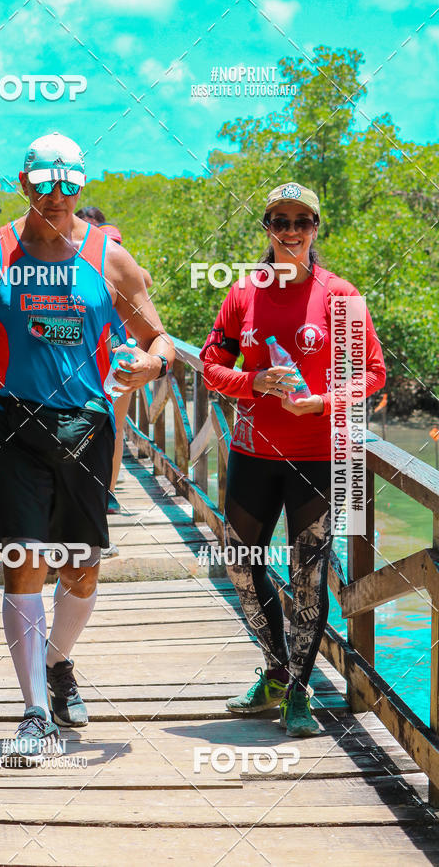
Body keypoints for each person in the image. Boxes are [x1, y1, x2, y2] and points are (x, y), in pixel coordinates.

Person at [0, 133, 174, 763]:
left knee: (81, 565)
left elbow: (162, 342)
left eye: (69, 183)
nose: (57, 195)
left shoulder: (112, 259)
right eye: (45, 183)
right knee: (23, 558)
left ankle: (58, 661)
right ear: (24, 183)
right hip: (13, 422)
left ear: (82, 185)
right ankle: (33, 714)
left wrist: (149, 369)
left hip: (89, 428)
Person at [200, 181, 386, 737]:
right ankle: (276, 670)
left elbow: (372, 374)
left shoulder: (341, 296)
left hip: (317, 456)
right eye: (279, 221)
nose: (290, 232)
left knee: (307, 578)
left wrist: (320, 402)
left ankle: (300, 691)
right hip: (252, 452)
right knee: (240, 564)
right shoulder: (243, 294)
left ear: (315, 229)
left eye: (301, 222)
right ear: (267, 228)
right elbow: (210, 364)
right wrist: (252, 381)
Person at [74, 206, 153, 538]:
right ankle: (92, 492)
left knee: (113, 427)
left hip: (118, 356)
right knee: (86, 423)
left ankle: (104, 492)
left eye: (115, 244)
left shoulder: (120, 270)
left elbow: (144, 279)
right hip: (86, 359)